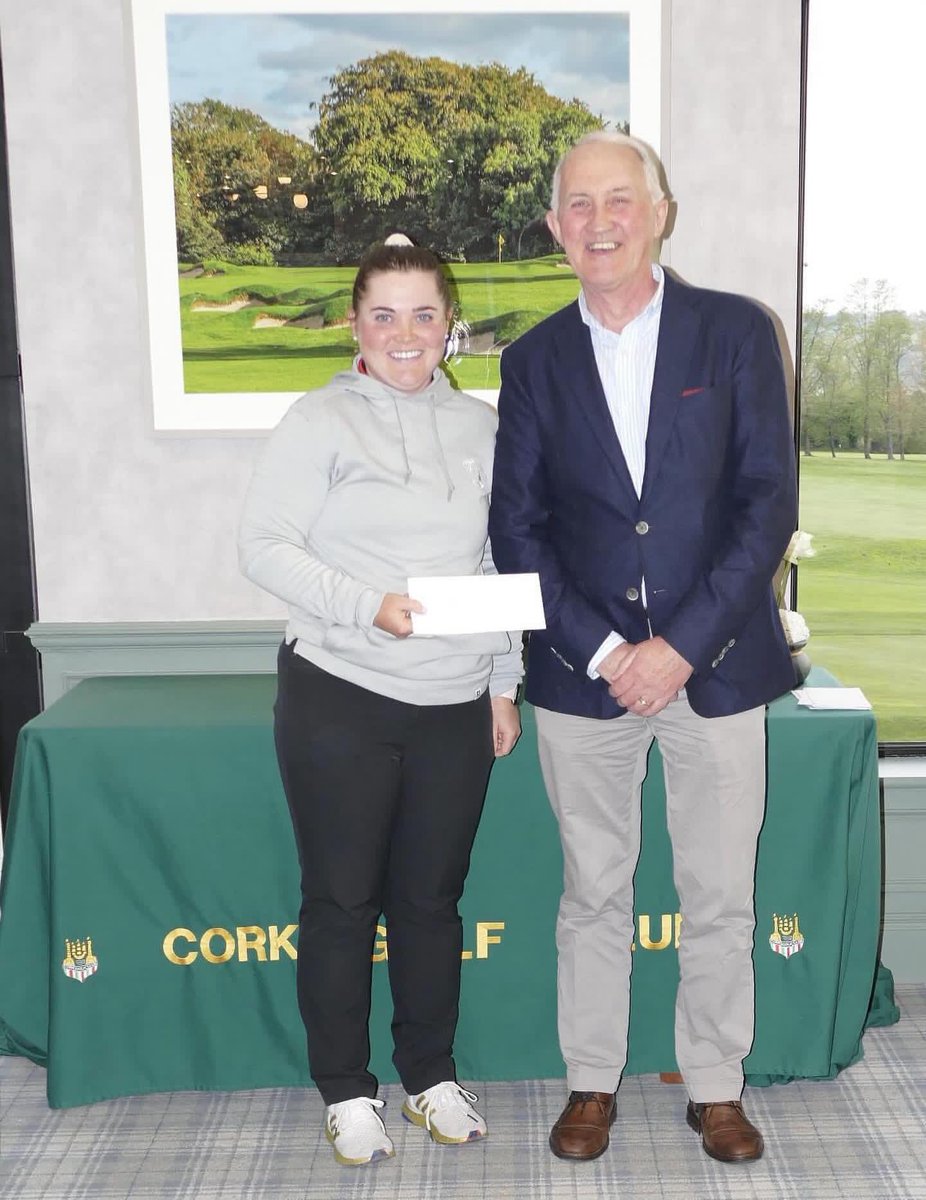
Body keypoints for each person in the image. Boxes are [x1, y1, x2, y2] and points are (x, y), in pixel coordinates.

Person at [487, 131, 797, 1165]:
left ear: (657, 210)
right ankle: (589, 1082)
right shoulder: (531, 359)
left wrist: (680, 647)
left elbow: (764, 508)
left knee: (717, 892)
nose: (599, 220)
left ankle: (713, 1083)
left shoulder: (734, 333)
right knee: (592, 893)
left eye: (619, 199)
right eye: (577, 205)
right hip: (585, 684)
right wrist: (609, 650)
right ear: (552, 227)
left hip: (717, 669)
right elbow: (516, 529)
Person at [238, 235, 522, 1167]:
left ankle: (429, 1076)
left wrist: (503, 681)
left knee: (431, 903)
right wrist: (370, 607)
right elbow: (266, 548)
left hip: (454, 704)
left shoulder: (482, 429)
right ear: (357, 323)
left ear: (450, 325)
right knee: (342, 902)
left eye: (425, 313)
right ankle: (345, 1089)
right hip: (339, 693)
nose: (406, 333)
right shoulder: (317, 421)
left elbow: (498, 566)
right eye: (385, 314)